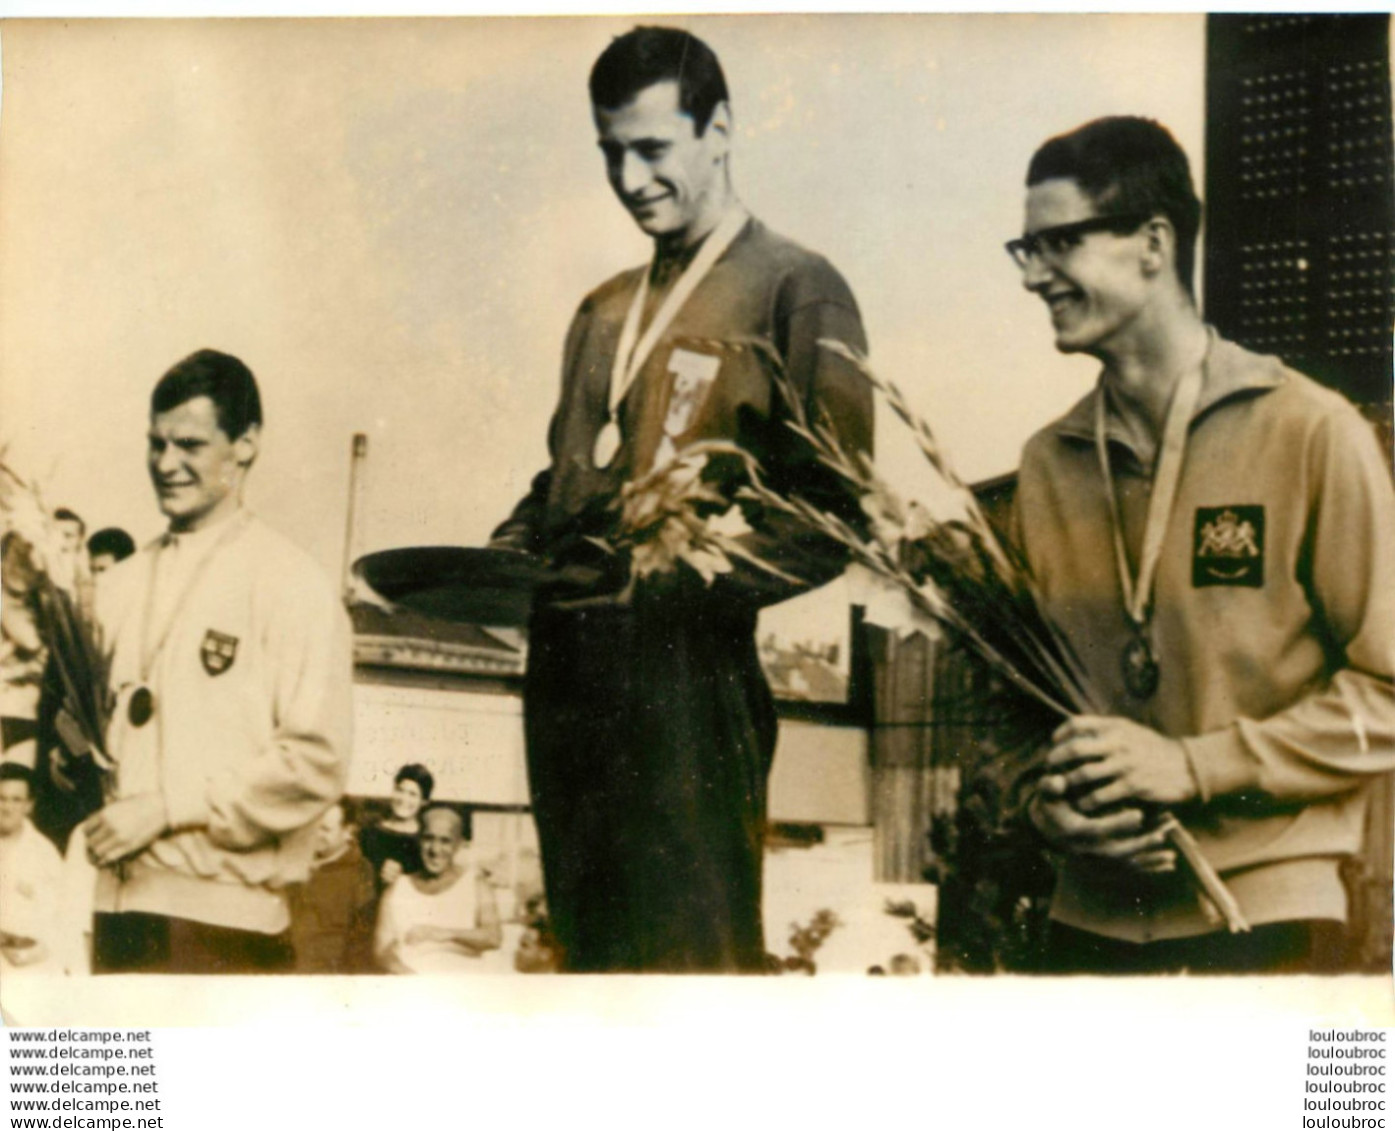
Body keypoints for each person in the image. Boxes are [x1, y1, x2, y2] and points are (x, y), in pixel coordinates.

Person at [490, 26, 873, 972]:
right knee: (588, 970)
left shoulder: (795, 287)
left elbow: (836, 510)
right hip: (567, 686)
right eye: (610, 152)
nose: (628, 177)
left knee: (689, 971)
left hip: (685, 690)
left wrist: (682, 575)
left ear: (722, 129)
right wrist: (505, 551)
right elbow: (570, 480)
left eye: (652, 149)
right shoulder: (601, 311)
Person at [1009, 117, 1395, 974]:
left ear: (1153, 243)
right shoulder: (1046, 465)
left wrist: (1194, 765)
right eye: (1024, 249)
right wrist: (1044, 805)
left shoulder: (1309, 431)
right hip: (1088, 928)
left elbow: (1387, 691)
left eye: (1059, 243)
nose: (1034, 275)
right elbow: (1011, 715)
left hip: (1266, 922)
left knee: (1317, 1115)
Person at [83, 348, 354, 974]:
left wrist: (169, 807)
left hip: (228, 931)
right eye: (156, 443)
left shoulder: (291, 584)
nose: (165, 464)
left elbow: (315, 761)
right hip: (116, 919)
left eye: (189, 444)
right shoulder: (117, 586)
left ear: (247, 444)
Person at [374, 803, 501, 974]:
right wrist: (407, 975)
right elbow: (381, 950)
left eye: (445, 841)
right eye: (428, 838)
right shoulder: (398, 888)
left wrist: (445, 933)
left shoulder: (475, 884)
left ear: (459, 844)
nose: (435, 849)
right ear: (419, 840)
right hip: (411, 985)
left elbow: (493, 937)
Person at [288, 798, 377, 974]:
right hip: (283, 967)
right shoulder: (295, 859)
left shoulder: (361, 873)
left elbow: (360, 945)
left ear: (348, 832)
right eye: (315, 826)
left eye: (326, 829)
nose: (316, 834)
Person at [0, 763, 64, 976]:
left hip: (29, 969)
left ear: (29, 805)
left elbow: (60, 919)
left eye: (16, 800)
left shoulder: (45, 855)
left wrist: (32, 954)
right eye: (1, 798)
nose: (7, 807)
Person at [358, 762, 432, 892]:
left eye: (412, 794)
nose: (404, 799)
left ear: (424, 802)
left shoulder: (425, 840)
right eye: (400, 790)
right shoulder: (369, 832)